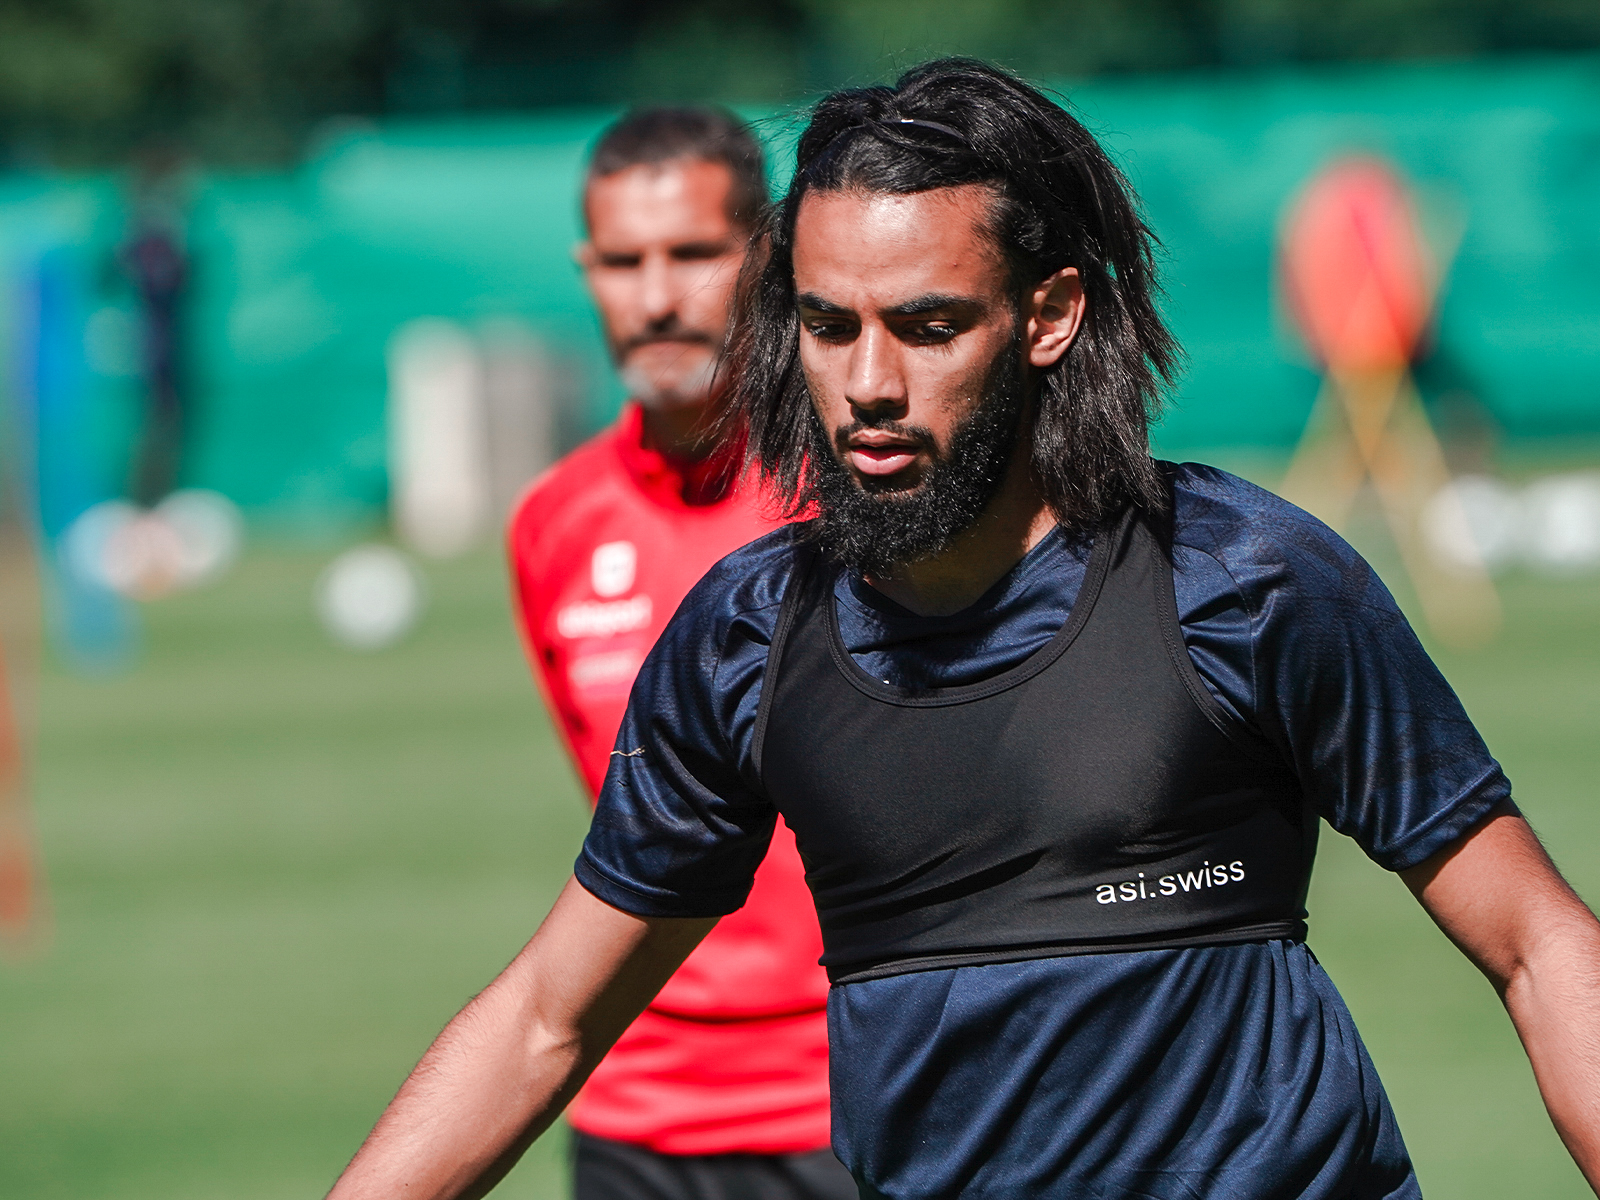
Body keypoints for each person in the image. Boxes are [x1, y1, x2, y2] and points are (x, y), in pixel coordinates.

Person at [328, 60, 1600, 1200]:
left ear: (1047, 316)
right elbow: (548, 1018)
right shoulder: (746, 640)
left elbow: (1538, 946)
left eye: (929, 326)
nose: (868, 383)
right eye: (828, 327)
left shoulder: (1240, 578)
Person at [505, 108, 850, 1200]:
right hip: (634, 1114)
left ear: (770, 253)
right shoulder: (551, 526)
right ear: (585, 270)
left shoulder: (860, 490)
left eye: (694, 253)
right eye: (622, 261)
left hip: (857, 1091)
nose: (656, 296)